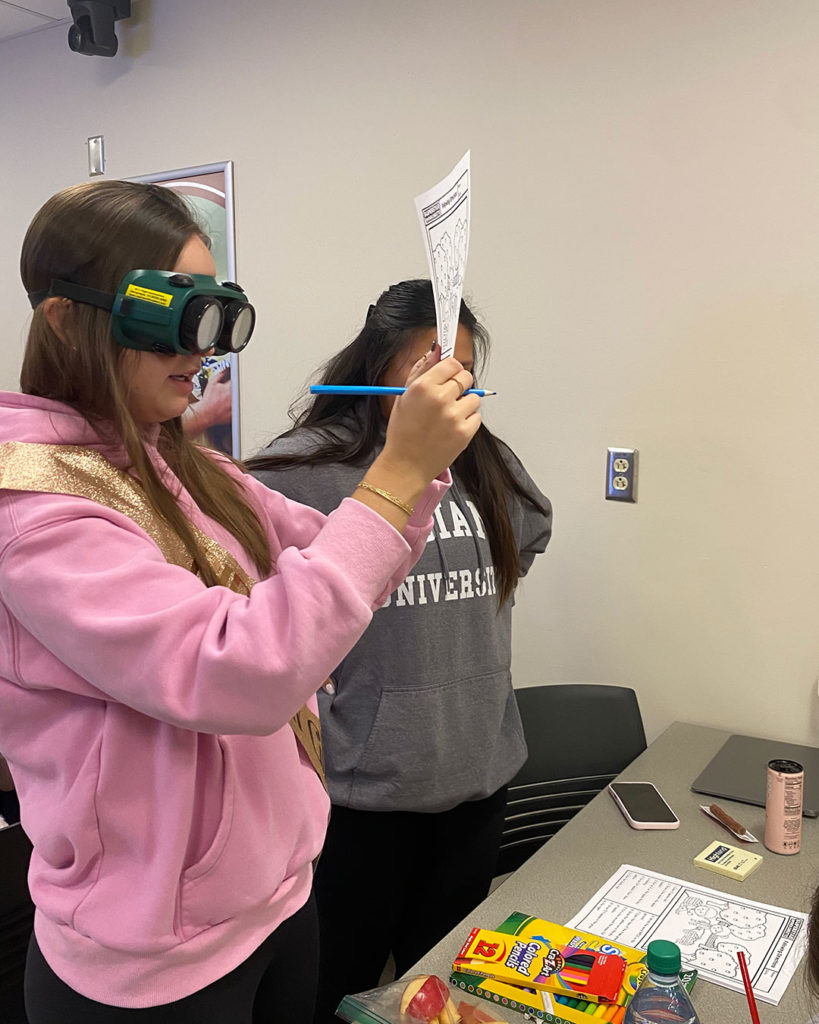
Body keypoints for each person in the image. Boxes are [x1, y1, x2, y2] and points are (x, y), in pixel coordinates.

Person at [0, 182, 481, 1023]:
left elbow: (350, 564)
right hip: (151, 968)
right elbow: (243, 672)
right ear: (66, 320)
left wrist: (413, 472)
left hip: (275, 907)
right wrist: (395, 473)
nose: (205, 350)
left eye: (218, 315)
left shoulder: (187, 467)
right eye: (173, 318)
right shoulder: (36, 515)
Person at [247, 279, 552, 1023]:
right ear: (374, 368)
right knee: (342, 991)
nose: (446, 391)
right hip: (361, 797)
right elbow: (259, 613)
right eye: (426, 372)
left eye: (460, 376)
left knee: (437, 991)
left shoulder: (483, 461)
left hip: (477, 782)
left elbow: (530, 533)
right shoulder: (294, 474)